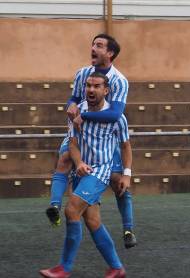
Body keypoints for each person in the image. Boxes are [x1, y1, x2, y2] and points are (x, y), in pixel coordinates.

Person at [46, 33, 137, 249]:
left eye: (99, 45)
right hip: (81, 132)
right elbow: (75, 98)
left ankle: (128, 229)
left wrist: (83, 115)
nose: (93, 48)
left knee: (119, 183)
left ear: (110, 53)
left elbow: (115, 114)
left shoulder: (119, 81)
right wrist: (70, 105)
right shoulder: (82, 74)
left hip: (104, 140)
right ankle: (55, 207)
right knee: (65, 159)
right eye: (93, 44)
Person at [40, 72, 129, 278]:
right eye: (88, 85)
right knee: (93, 221)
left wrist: (126, 174)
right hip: (82, 171)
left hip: (100, 172)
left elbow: (126, 147)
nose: (90, 89)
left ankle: (64, 268)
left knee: (71, 210)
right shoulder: (75, 112)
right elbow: (72, 144)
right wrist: (78, 163)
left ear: (106, 90)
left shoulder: (117, 118)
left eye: (96, 86)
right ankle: (117, 267)